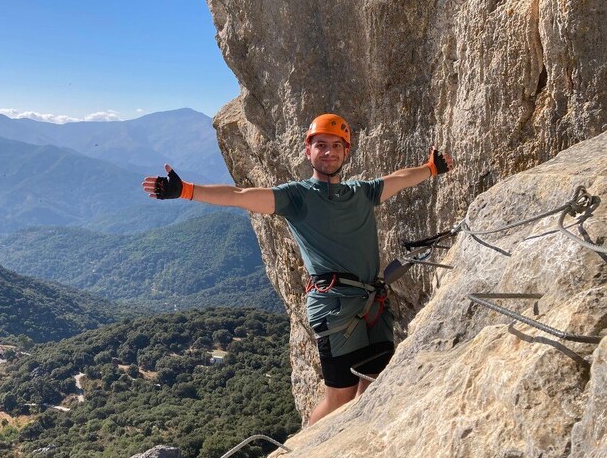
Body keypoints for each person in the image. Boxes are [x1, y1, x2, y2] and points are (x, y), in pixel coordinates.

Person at [142, 113, 453, 425]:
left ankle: (354, 438)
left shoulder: (363, 192)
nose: (328, 152)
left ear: (346, 152)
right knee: (339, 397)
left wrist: (430, 168)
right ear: (308, 152)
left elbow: (399, 179)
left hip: (374, 305)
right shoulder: (297, 197)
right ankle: (309, 449)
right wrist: (186, 190)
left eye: (336, 146)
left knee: (374, 380)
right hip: (334, 310)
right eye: (321, 145)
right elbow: (240, 196)